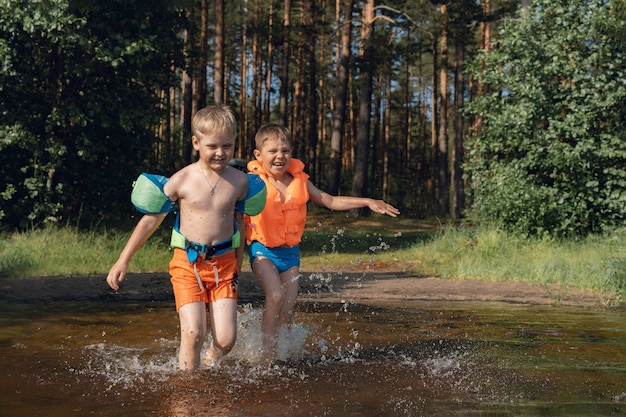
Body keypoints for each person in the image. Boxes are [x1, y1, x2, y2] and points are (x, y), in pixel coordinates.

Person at [106, 105, 266, 370]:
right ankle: (186, 391)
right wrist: (123, 260)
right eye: (212, 146)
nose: (220, 152)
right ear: (196, 142)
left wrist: (238, 266)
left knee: (226, 340)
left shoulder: (240, 182)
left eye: (227, 145)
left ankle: (209, 361)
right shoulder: (182, 180)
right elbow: (150, 221)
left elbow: (240, 225)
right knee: (194, 334)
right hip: (188, 265)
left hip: (224, 267)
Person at [246, 123, 400, 365]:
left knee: (287, 308)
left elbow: (329, 200)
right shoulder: (251, 183)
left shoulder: (300, 180)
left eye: (285, 151)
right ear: (258, 155)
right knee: (275, 296)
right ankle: (266, 358)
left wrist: (368, 201)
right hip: (262, 250)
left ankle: (283, 355)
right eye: (273, 151)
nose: (280, 156)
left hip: (290, 254)